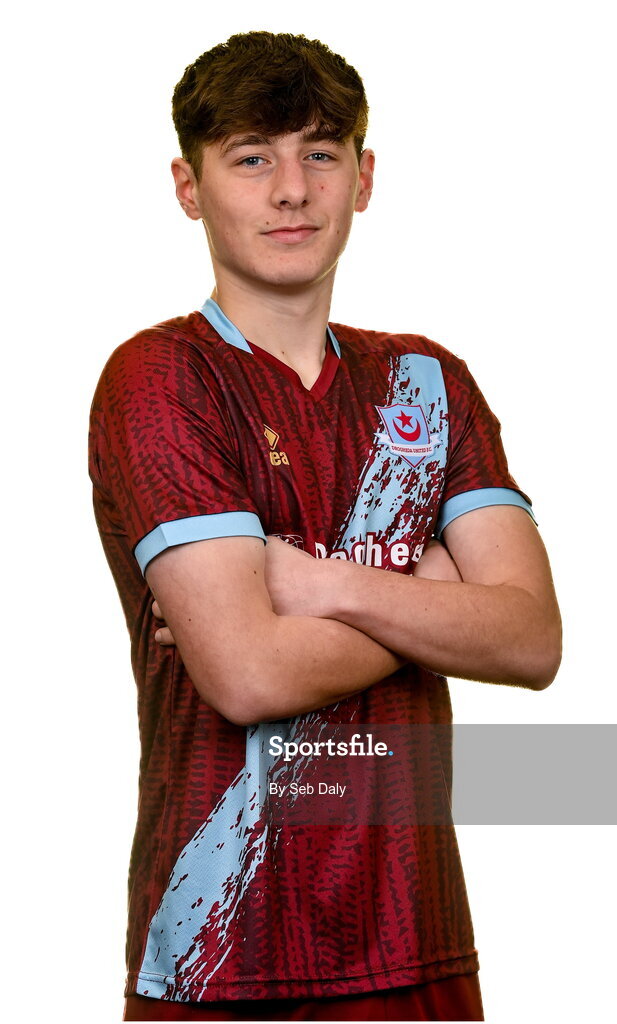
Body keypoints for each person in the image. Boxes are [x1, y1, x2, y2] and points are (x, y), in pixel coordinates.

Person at [88, 30, 562, 1022]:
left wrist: (319, 586)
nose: (290, 189)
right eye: (251, 157)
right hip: (222, 953)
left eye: (320, 152)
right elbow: (247, 673)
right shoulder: (160, 378)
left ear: (363, 175)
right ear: (189, 185)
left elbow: (529, 639)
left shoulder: (425, 382)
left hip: (412, 934)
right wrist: (428, 595)